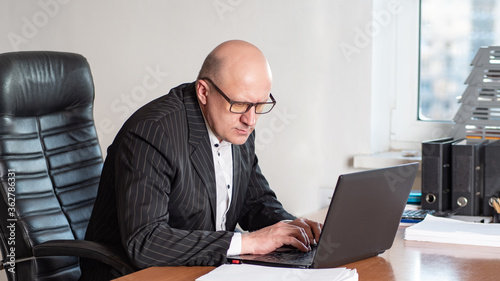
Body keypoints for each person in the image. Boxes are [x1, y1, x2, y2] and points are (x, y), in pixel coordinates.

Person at [81, 40, 322, 280]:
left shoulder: (237, 125)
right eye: (240, 104)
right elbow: (146, 241)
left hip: (206, 270)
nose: (251, 120)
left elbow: (255, 202)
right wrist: (248, 242)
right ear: (204, 92)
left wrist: (294, 230)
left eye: (259, 105)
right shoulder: (152, 133)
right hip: (136, 274)